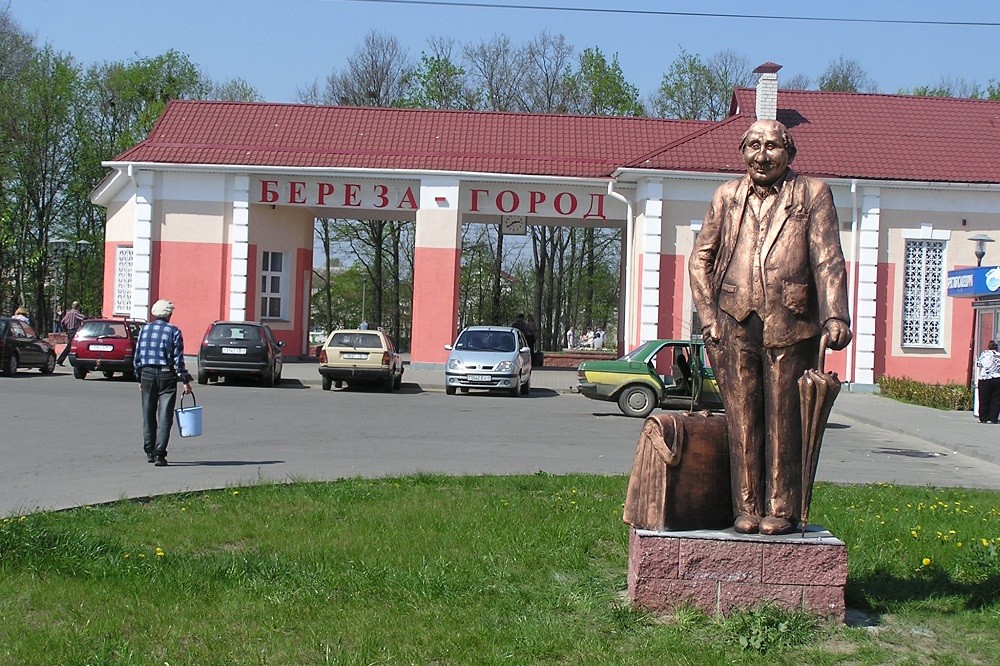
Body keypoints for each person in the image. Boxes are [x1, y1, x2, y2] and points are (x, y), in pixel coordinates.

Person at [689, 119, 852, 536]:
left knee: (784, 419)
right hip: (733, 321)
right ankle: (746, 507)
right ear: (743, 151)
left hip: (791, 321)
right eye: (754, 146)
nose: (762, 156)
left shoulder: (812, 193)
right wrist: (709, 318)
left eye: (773, 147)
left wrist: (835, 314)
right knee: (742, 418)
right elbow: (699, 260)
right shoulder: (726, 196)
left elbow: (827, 258)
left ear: (789, 153)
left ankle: (779, 508)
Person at [134, 299, 193, 466]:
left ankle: (149, 450)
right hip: (167, 375)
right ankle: (160, 453)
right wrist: (185, 380)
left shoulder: (144, 330)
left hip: (147, 373)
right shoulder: (174, 331)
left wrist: (139, 377)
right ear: (169, 314)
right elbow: (178, 359)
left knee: (148, 413)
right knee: (165, 415)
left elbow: (137, 356)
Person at [976, 340, 1000, 423]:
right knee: (996, 399)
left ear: (989, 347)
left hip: (984, 379)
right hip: (997, 379)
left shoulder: (984, 353)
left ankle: (983, 418)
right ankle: (993, 418)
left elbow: (979, 364)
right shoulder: (999, 355)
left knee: (983, 399)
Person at [56, 301, 86, 365]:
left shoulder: (68, 313)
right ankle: (60, 360)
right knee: (70, 346)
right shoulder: (75, 313)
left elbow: (62, 322)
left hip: (69, 331)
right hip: (74, 331)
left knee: (71, 346)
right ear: (77, 307)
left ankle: (61, 360)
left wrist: (65, 329)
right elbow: (83, 318)